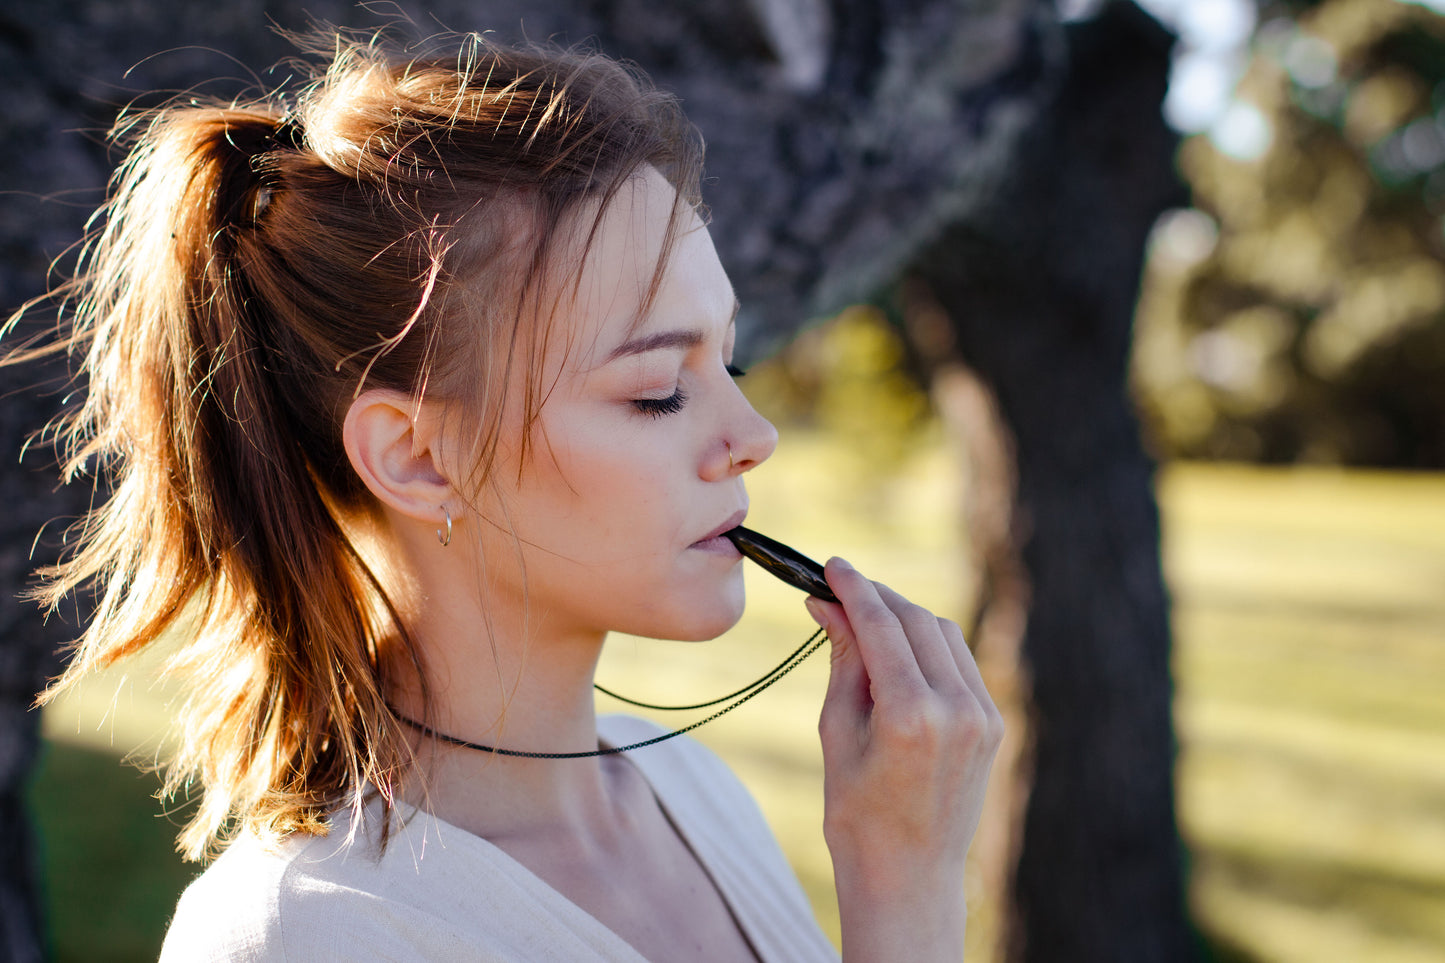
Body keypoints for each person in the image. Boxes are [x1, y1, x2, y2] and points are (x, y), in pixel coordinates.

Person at [13, 28, 1002, 962]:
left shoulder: (691, 792)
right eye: (657, 391)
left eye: (729, 369)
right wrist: (904, 895)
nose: (753, 440)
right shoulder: (311, 936)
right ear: (415, 459)